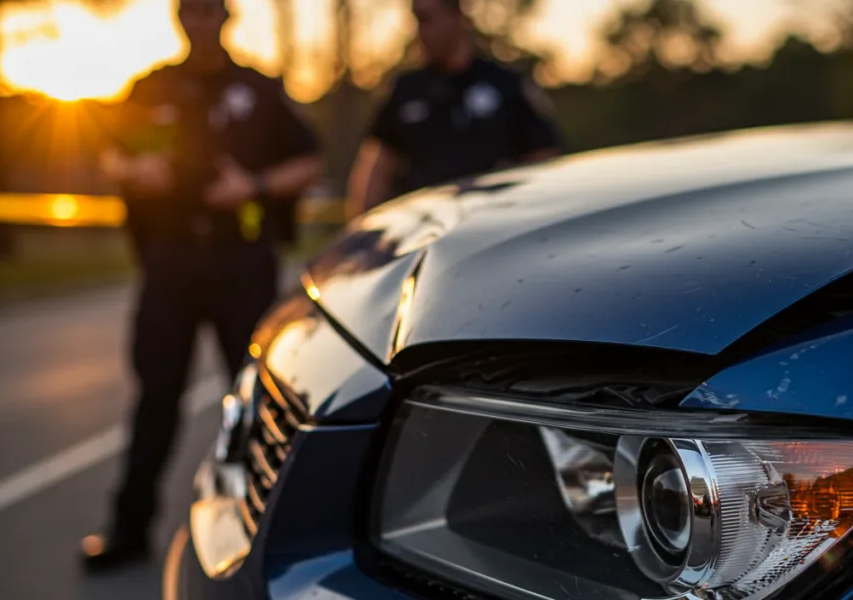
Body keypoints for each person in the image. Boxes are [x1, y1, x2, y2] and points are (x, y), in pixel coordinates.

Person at [80, 0, 323, 571]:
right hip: (170, 259)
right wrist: (133, 170)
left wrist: (254, 186)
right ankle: (129, 528)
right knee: (156, 395)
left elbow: (309, 162)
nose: (199, 21)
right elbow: (111, 152)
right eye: (190, 10)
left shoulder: (258, 89)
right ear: (179, 19)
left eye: (209, 10)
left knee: (252, 396)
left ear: (226, 17)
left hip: (240, 261)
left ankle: (257, 524)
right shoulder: (151, 87)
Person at [346, 0, 563, 217]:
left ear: (456, 16)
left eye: (428, 20)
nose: (420, 32)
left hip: (496, 218)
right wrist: (364, 223)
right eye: (417, 21)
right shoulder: (405, 90)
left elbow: (545, 157)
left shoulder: (505, 85)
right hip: (427, 223)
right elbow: (375, 167)